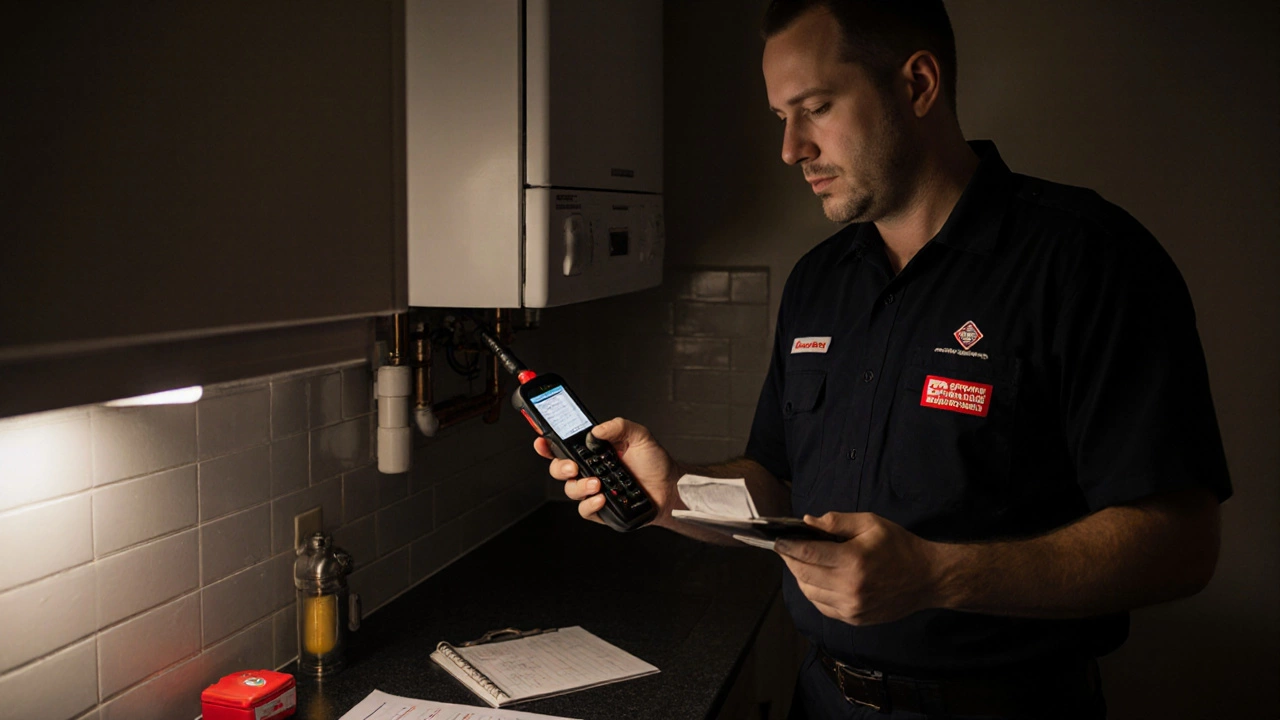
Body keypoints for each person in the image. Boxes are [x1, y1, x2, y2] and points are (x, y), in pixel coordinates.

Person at [534, 1, 1232, 717]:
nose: (791, 148)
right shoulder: (818, 281)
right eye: (782, 118)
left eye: (816, 108)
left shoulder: (1089, 260)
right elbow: (774, 486)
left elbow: (1181, 544)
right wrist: (672, 489)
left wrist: (936, 575)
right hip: (823, 696)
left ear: (918, 85)